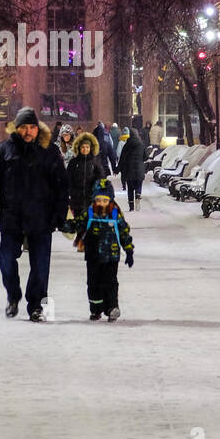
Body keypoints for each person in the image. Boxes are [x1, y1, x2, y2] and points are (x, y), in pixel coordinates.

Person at [0, 107, 68, 322]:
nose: (28, 132)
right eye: (23, 127)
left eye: (31, 127)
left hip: (41, 216)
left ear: (37, 129)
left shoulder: (49, 152)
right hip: (12, 216)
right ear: (16, 128)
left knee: (40, 265)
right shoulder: (3, 151)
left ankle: (36, 304)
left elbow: (61, 185)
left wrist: (60, 213)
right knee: (6, 258)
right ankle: (13, 294)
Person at [73, 178, 134, 321]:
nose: (101, 203)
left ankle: (112, 307)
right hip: (93, 255)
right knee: (93, 282)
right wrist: (61, 223)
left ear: (110, 200)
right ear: (94, 199)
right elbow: (77, 224)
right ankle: (96, 309)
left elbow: (124, 232)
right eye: (98, 200)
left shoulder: (115, 213)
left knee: (111, 282)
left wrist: (129, 250)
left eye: (105, 200)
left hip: (111, 255)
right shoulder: (89, 213)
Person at [66, 131, 106, 221]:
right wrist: (69, 192)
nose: (85, 149)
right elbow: (68, 179)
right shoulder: (73, 163)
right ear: (79, 148)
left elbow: (101, 177)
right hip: (76, 200)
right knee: (79, 224)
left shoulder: (95, 162)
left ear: (91, 148)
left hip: (91, 199)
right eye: (83, 147)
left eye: (87, 147)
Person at [116, 126, 145, 211]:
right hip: (139, 169)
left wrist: (118, 169)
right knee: (139, 184)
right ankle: (138, 195)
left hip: (129, 170)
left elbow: (122, 159)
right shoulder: (141, 145)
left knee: (130, 188)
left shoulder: (126, 145)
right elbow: (146, 157)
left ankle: (131, 206)